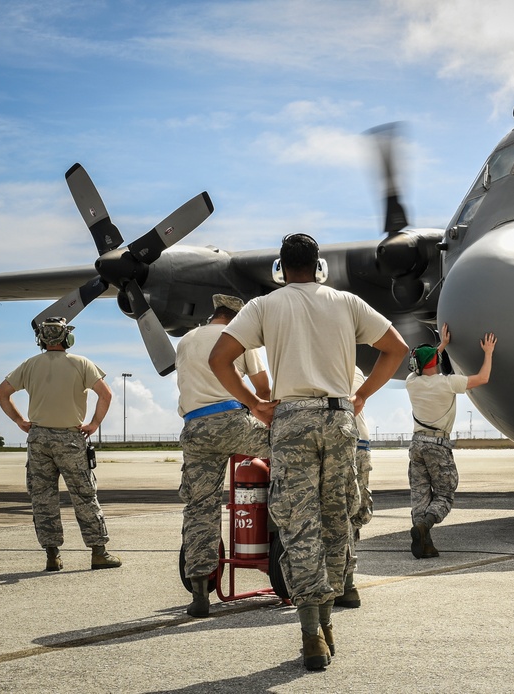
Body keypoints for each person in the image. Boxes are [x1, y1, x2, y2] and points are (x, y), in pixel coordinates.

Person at [209, 233, 407, 671]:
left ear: (280, 268)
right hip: (339, 417)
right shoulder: (346, 302)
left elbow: (220, 358)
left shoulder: (263, 306)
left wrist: (255, 405)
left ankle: (311, 632)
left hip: (292, 418)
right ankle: (328, 618)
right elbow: (397, 349)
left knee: (300, 525)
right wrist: (362, 396)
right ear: (319, 266)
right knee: (337, 518)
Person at [0, 317, 121, 571]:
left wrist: (20, 421)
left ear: (41, 339)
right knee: (84, 495)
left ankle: (52, 555)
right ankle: (98, 552)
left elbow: (1, 394)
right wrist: (93, 424)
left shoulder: (29, 365)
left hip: (38, 439)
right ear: (66, 338)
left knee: (43, 498)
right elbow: (105, 394)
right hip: (70, 439)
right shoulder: (82, 363)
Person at [176, 294, 272, 618]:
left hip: (194, 429)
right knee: (291, 451)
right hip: (233, 422)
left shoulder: (187, 340)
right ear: (237, 317)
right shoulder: (240, 336)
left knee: (199, 508)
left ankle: (200, 591)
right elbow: (264, 389)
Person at [406, 323, 496, 558]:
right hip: (438, 445)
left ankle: (424, 542)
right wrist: (488, 352)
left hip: (416, 445)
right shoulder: (449, 383)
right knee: (445, 494)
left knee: (420, 494)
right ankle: (426, 525)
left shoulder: (411, 383)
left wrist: (442, 345)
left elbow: (428, 361)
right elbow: (483, 377)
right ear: (435, 362)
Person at [336, 366, 373, 609]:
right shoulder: (356, 368)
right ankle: (347, 582)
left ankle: (345, 583)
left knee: (337, 513)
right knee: (352, 514)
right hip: (361, 442)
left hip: (341, 438)